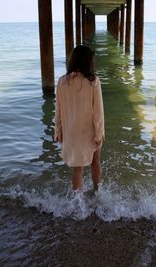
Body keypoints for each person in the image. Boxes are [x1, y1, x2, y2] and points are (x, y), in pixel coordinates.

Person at [54, 45, 105, 192]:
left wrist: (58, 130)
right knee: (95, 162)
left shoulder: (62, 82)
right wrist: (99, 133)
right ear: (87, 61)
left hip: (71, 131)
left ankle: (78, 204)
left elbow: (58, 110)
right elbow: (98, 111)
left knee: (78, 169)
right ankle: (98, 194)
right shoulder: (93, 81)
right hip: (89, 130)